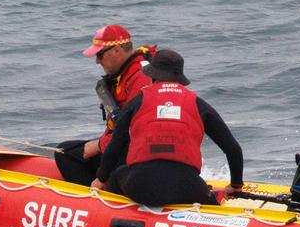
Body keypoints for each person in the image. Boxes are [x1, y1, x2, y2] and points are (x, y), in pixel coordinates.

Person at [91, 49, 243, 207]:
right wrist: (236, 185)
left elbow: (115, 146)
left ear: (152, 76)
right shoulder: (198, 104)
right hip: (186, 188)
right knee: (205, 196)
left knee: (117, 174)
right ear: (179, 79)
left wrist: (101, 179)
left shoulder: (137, 102)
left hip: (140, 186)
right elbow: (233, 149)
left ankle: (113, 214)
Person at [53, 24, 156, 185]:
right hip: (121, 145)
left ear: (117, 50)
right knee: (65, 153)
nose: (97, 61)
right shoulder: (121, 74)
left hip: (140, 152)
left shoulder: (142, 76)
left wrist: (99, 145)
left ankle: (102, 199)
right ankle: (95, 197)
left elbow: (136, 130)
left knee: (73, 155)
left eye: (100, 55)